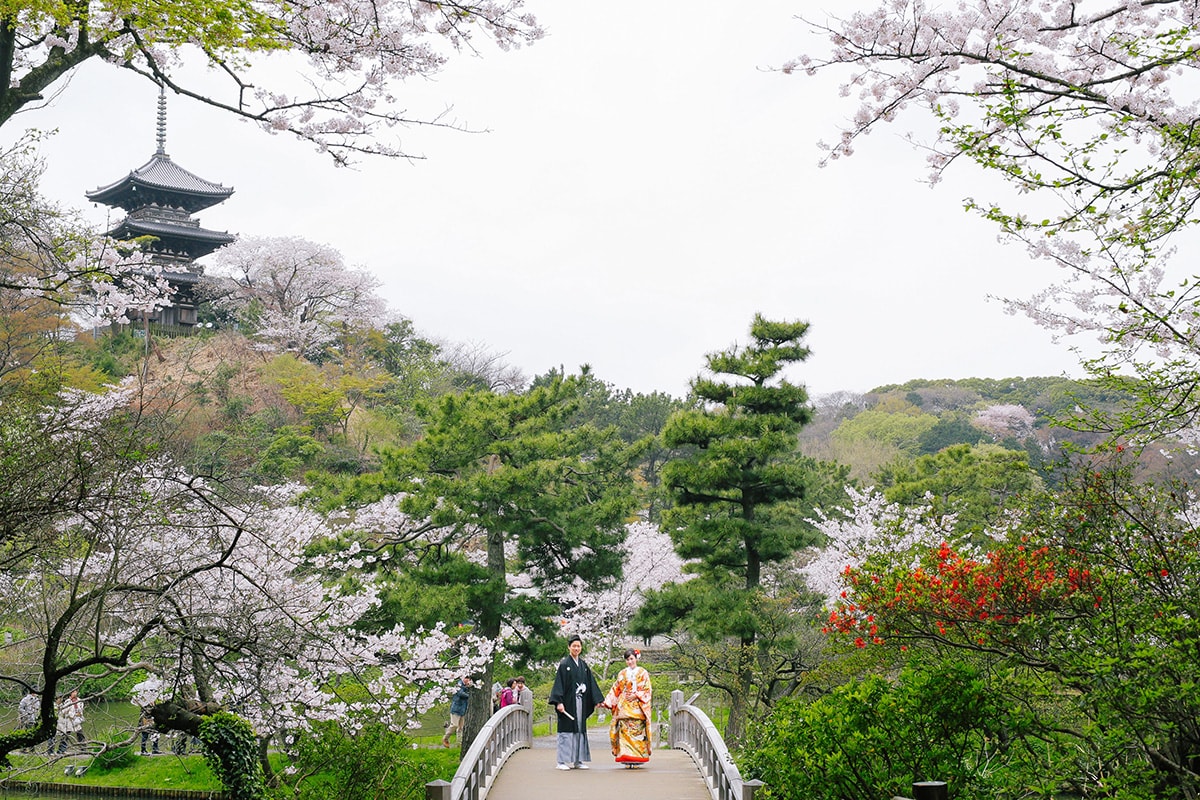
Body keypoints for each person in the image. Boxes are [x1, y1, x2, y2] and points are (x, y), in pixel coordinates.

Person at [547, 634, 604, 771]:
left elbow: (591, 683)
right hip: (568, 703)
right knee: (566, 731)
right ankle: (561, 761)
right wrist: (558, 702)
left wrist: (597, 699)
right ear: (569, 647)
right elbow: (559, 684)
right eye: (574, 646)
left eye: (578, 646)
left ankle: (578, 760)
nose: (576, 648)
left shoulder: (583, 665)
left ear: (581, 647)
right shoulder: (564, 664)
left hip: (581, 702)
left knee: (579, 730)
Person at [602, 648, 653, 767]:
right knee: (624, 732)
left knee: (637, 733)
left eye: (631, 659)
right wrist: (608, 701)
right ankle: (626, 758)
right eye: (627, 660)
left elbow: (647, 689)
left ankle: (636, 759)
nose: (629, 662)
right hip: (624, 706)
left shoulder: (643, 673)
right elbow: (616, 688)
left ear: (636, 658)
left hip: (637, 707)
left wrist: (636, 695)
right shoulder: (622, 674)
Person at [442, 676, 472, 748]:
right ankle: (445, 738)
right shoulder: (459, 685)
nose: (468, 680)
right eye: (466, 678)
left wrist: (468, 687)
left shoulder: (466, 686)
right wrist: (469, 694)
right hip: (456, 709)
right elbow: (461, 693)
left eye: (469, 679)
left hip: (463, 710)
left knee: (461, 727)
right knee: (454, 725)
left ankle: (459, 743)